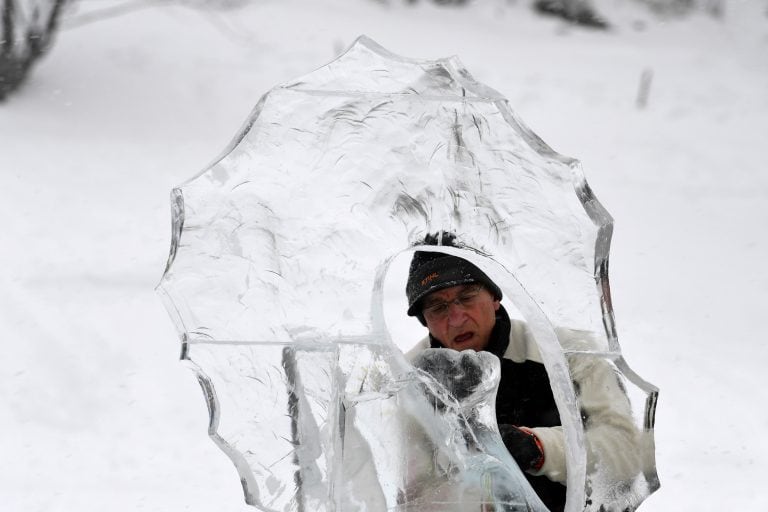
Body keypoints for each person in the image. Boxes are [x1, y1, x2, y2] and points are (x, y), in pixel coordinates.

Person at [403, 233, 642, 512]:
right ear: (424, 321)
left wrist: (538, 448)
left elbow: (627, 454)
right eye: (438, 307)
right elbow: (401, 489)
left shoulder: (570, 354)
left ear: (494, 297)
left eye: (467, 297)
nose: (456, 319)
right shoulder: (404, 381)